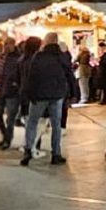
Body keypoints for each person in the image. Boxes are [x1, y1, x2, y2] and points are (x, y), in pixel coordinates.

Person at [21, 33, 72, 165]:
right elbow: (69, 73)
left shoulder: (38, 56)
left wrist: (29, 93)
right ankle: (56, 154)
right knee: (56, 125)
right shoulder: (61, 56)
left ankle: (28, 150)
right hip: (57, 95)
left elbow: (31, 76)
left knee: (32, 122)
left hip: (39, 95)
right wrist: (72, 93)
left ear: (46, 42)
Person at [0, 39, 29, 149]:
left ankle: (7, 140)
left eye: (9, 44)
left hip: (12, 92)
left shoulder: (18, 58)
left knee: (10, 118)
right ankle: (5, 136)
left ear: (14, 45)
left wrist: (16, 84)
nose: (6, 46)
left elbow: (20, 73)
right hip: (1, 90)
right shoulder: (1, 57)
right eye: (5, 44)